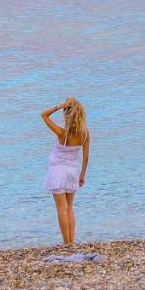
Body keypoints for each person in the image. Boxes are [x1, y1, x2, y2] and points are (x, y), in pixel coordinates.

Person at [41, 97, 89, 246]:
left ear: (67, 114)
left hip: (58, 172)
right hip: (72, 172)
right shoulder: (85, 134)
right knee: (69, 208)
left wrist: (60, 105)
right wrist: (82, 175)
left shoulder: (63, 133)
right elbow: (86, 157)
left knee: (61, 208)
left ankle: (66, 243)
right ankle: (71, 242)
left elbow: (44, 115)